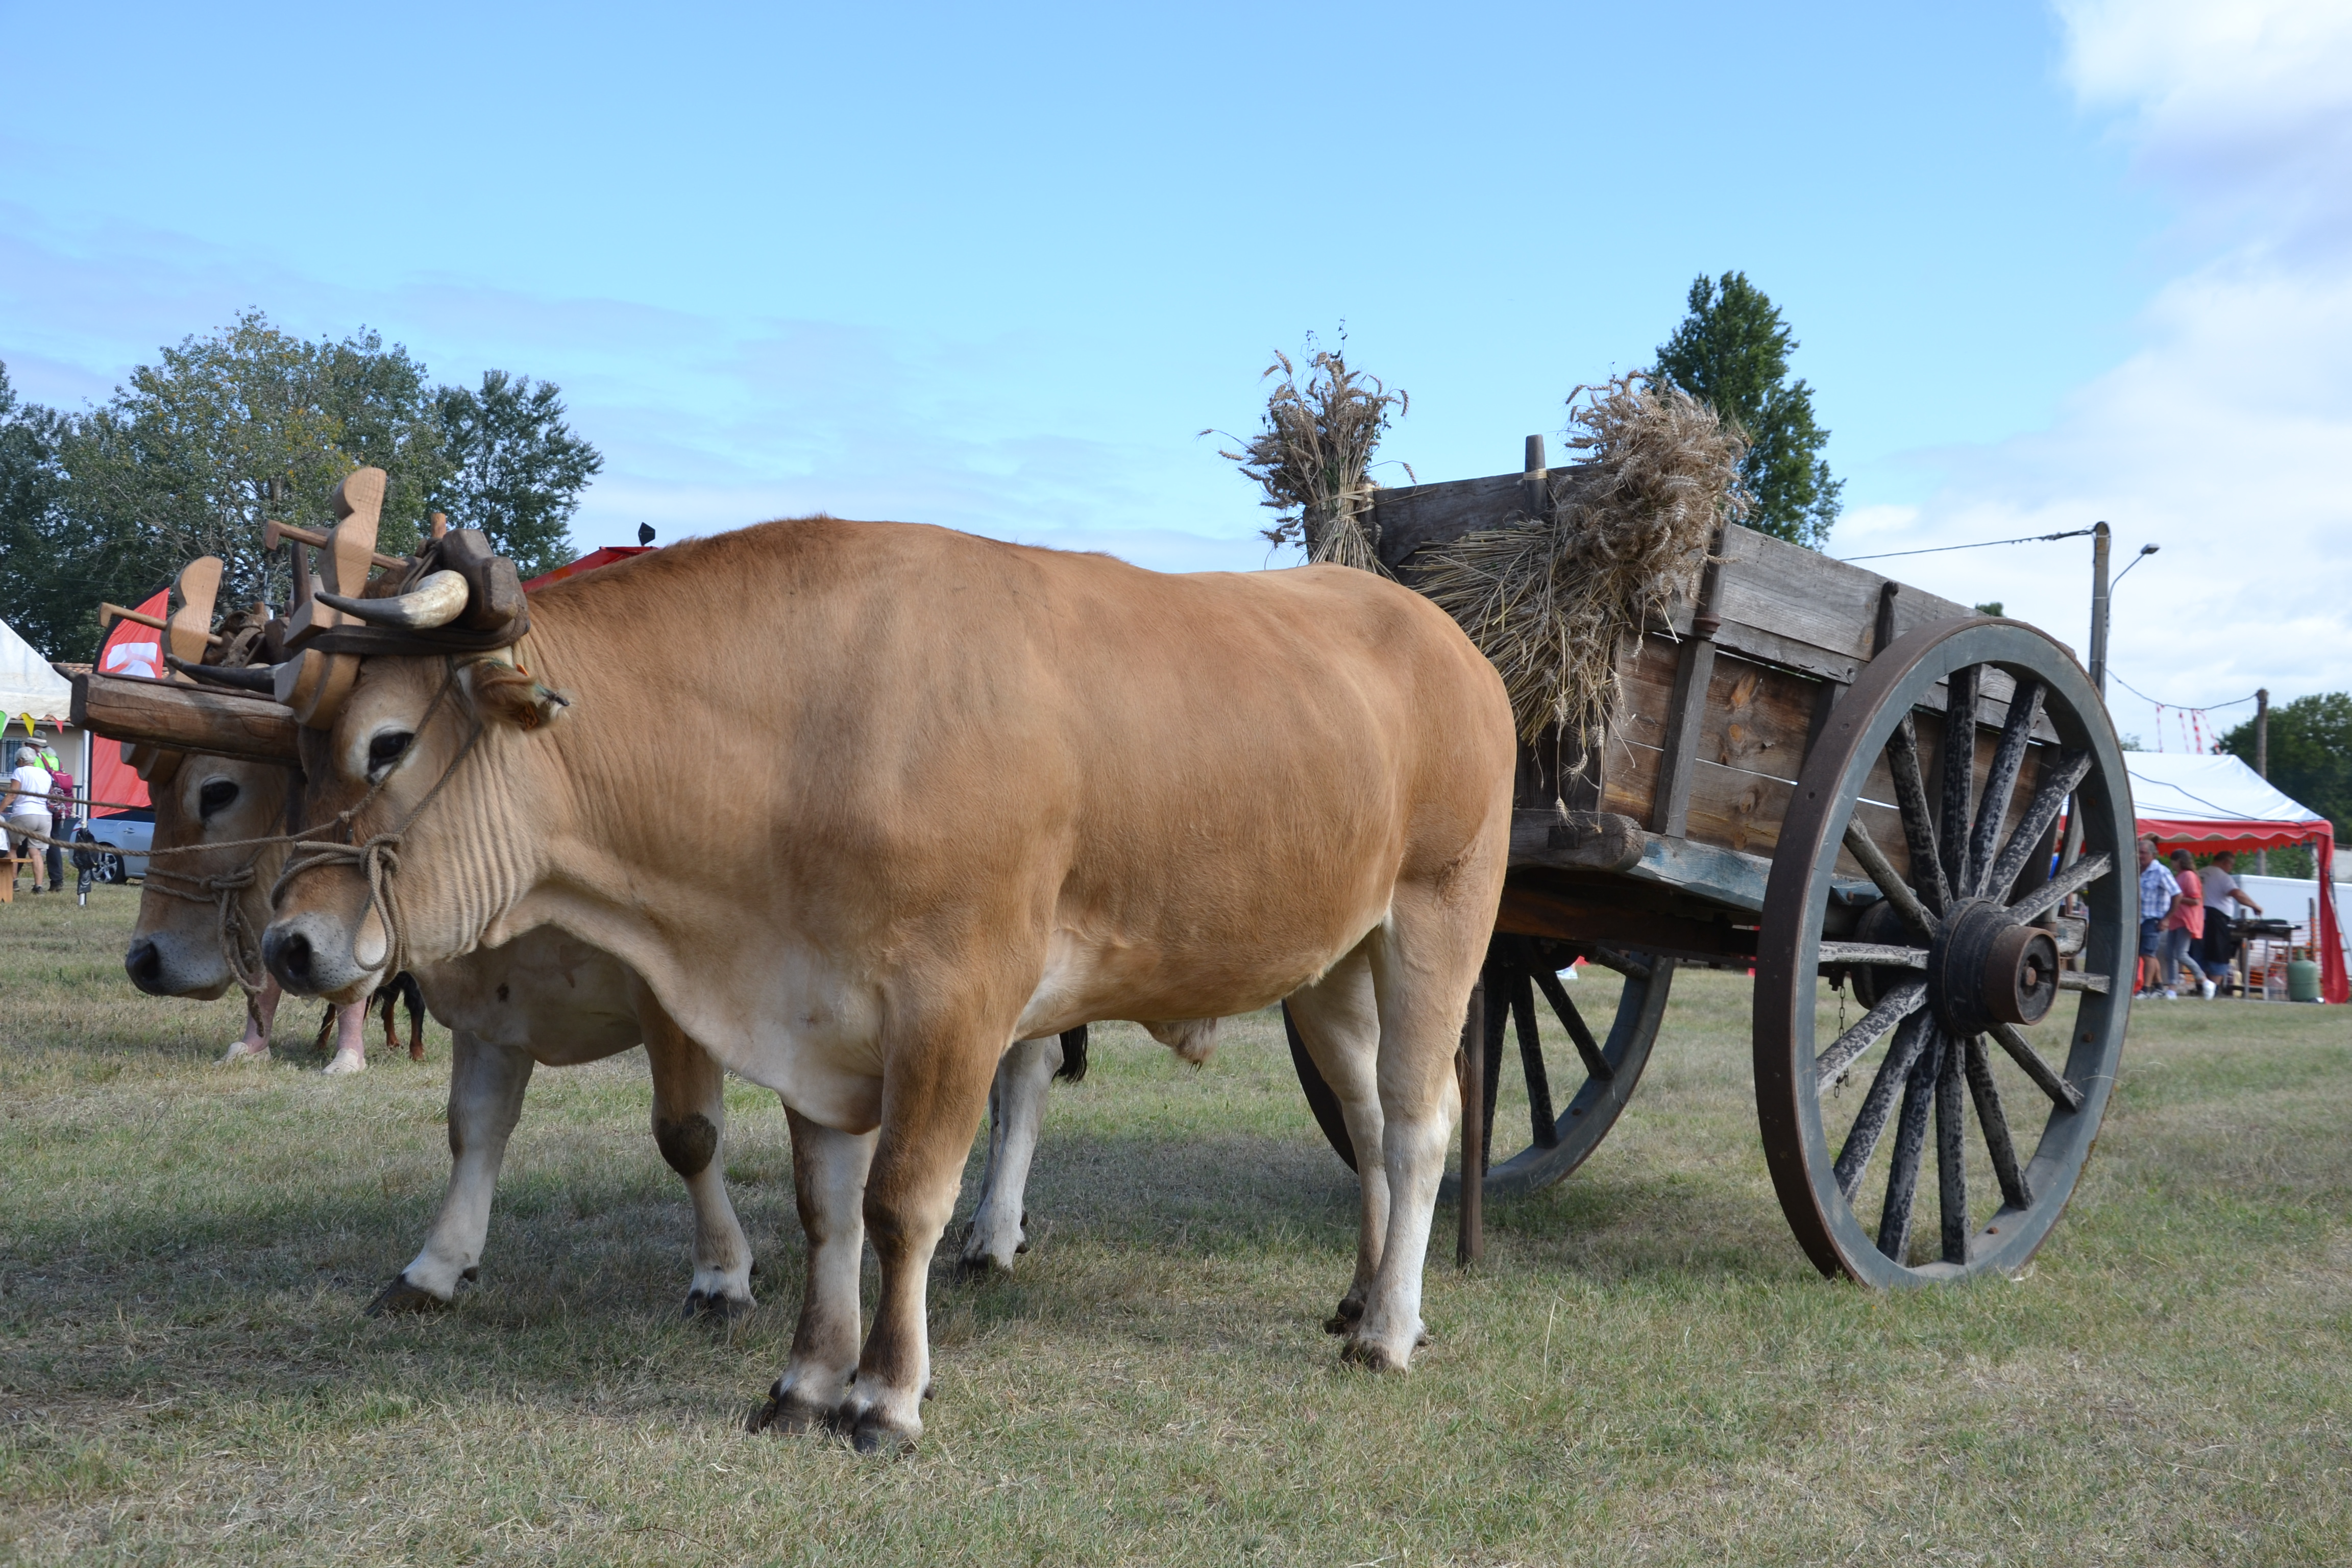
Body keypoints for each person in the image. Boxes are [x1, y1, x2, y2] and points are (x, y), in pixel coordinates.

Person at [2197, 849, 2263, 994]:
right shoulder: (2222, 876)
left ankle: (2201, 987)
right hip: (2216, 920)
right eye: (2231, 865)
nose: (2231, 868)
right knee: (2218, 955)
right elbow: (2237, 893)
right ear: (2226, 862)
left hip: (2199, 918)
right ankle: (2213, 989)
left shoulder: (2200, 873)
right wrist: (2254, 905)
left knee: (2201, 955)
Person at [2161, 849, 2215, 998]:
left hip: (2186, 919)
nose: (2172, 864)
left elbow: (2195, 900)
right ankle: (2172, 989)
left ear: (2179, 861)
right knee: (2170, 954)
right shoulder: (2179, 876)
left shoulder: (2189, 877)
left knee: (2181, 954)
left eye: (2173, 861)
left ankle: (2205, 981)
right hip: (2175, 919)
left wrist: (2177, 899)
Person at [5, 745, 55, 894]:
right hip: (45, 816)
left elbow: (12, 794)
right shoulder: (46, 774)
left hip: (25, 814)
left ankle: (13, 883)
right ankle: (38, 886)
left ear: (21, 760)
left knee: (12, 848)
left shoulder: (20, 772)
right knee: (36, 853)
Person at [2136, 836, 2179, 998]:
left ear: (2154, 854)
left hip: (2153, 918)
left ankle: (2146, 989)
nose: (2140, 856)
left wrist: (2167, 918)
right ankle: (2160, 986)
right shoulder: (2138, 870)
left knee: (2148, 955)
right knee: (2145, 953)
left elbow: (2177, 894)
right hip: (2140, 918)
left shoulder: (2161, 871)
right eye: (2139, 853)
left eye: (2144, 853)